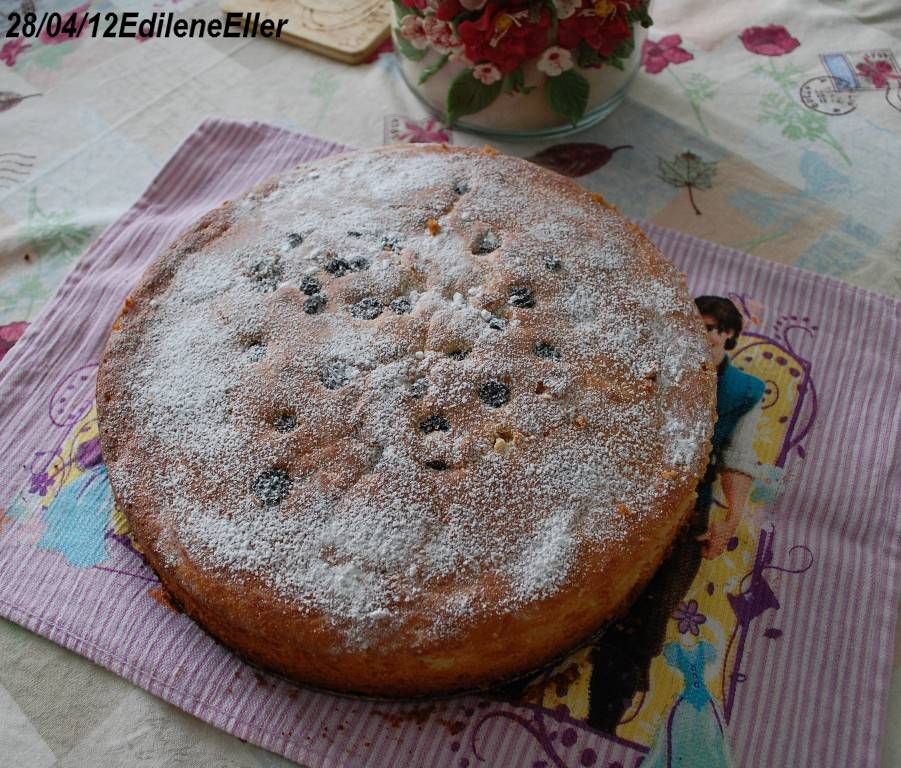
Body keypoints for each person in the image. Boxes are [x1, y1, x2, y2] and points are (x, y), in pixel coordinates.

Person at [585, 295, 766, 733]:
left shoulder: (743, 391)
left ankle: (604, 722)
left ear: (727, 335)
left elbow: (738, 459)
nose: (698, 336)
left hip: (686, 513)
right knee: (594, 602)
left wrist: (729, 518)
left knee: (647, 620)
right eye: (693, 326)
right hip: (621, 497)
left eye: (708, 329)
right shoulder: (660, 365)